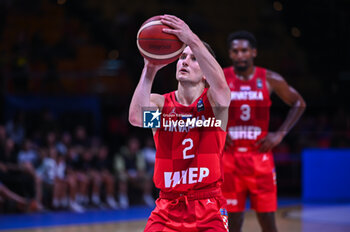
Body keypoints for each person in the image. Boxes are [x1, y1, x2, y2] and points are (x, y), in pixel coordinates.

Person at [129, 14, 231, 232]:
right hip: (167, 207)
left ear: (205, 73)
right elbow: (137, 118)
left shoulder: (214, 105)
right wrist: (150, 68)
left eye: (194, 59)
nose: (185, 61)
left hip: (208, 206)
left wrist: (191, 38)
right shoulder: (161, 105)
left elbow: (221, 86)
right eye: (182, 56)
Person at [221, 31, 306, 232]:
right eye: (235, 51)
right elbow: (200, 106)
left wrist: (280, 133)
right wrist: (218, 129)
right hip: (229, 159)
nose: (240, 54)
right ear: (230, 54)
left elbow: (299, 103)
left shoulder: (270, 79)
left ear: (254, 52)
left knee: (268, 219)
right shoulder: (220, 78)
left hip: (260, 157)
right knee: (232, 221)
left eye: (244, 50)